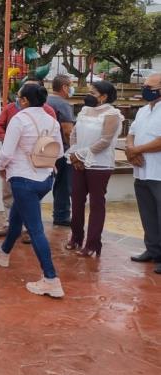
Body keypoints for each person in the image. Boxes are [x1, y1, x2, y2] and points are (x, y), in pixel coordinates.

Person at [0, 84, 65, 298]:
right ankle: (3, 253)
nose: (17, 100)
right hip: (44, 178)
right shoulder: (51, 121)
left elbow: (6, 152)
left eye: (19, 97)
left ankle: (51, 279)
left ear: (24, 101)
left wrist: (1, 169)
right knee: (17, 217)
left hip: (23, 179)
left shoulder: (19, 120)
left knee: (35, 229)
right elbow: (60, 151)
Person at [0, 75, 57, 239]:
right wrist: (7, 139)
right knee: (8, 194)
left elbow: (51, 139)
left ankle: (28, 229)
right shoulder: (10, 109)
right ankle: (10, 225)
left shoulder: (48, 112)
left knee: (31, 199)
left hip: (36, 164)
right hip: (14, 163)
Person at [65, 82, 124, 257]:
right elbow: (74, 133)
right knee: (76, 200)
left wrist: (82, 156)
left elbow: (105, 140)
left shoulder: (113, 114)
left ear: (103, 96)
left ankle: (92, 244)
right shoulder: (84, 111)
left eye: (93, 92)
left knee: (96, 204)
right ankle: (76, 237)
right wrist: (75, 154)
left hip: (99, 164)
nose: (88, 95)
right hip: (78, 162)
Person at [126, 72, 161, 273]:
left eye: (150, 87)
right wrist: (131, 150)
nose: (145, 90)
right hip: (141, 170)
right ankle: (152, 249)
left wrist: (137, 150)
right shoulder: (143, 111)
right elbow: (131, 134)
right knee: (147, 214)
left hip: (158, 171)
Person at [46, 74, 75, 226]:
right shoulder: (63, 104)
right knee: (63, 183)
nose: (72, 89)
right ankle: (61, 215)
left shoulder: (45, 101)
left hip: (43, 148)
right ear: (64, 87)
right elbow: (67, 130)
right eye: (71, 85)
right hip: (61, 150)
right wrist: (72, 149)